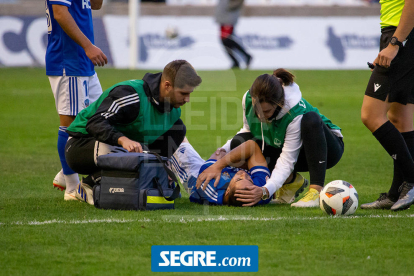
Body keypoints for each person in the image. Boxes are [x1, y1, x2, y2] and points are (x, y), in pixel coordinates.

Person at [65, 60, 202, 204]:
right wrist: (123, 140)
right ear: (167, 85)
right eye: (183, 93)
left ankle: (141, 180)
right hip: (80, 145)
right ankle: (90, 183)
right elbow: (94, 123)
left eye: (189, 94)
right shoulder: (131, 94)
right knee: (123, 152)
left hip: (113, 149)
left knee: (177, 130)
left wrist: (160, 169)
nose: (187, 99)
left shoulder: (173, 112)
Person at [213, 69, 344, 207]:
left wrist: (265, 190)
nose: (260, 117)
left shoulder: (293, 111)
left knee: (310, 119)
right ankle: (291, 182)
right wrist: (222, 151)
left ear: (279, 103)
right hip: (292, 149)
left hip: (325, 149)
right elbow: (248, 130)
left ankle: (315, 192)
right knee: (238, 144)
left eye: (266, 111)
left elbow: (287, 160)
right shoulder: (247, 98)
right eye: (257, 111)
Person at [45, 0, 108, 201]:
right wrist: (89, 46)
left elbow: (95, 5)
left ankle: (65, 173)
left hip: (83, 63)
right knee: (71, 124)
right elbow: (60, 13)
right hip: (68, 61)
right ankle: (72, 187)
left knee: (102, 118)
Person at [360, 0, 414, 211]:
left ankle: (411, 178)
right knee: (400, 118)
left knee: (370, 115)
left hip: (403, 37)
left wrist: (395, 44)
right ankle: (395, 193)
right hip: (401, 35)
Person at [172, 138, 280, 206]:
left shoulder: (209, 187)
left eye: (239, 179)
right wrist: (268, 190)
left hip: (195, 176)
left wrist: (223, 162)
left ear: (227, 191)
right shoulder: (258, 191)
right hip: (224, 169)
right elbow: (251, 146)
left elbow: (217, 155)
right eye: (249, 179)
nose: (244, 174)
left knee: (176, 140)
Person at [215, 0, 252, 69]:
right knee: (225, 40)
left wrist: (228, 7)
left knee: (226, 39)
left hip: (228, 18)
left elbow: (237, 2)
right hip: (224, 18)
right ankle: (237, 61)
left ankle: (244, 57)